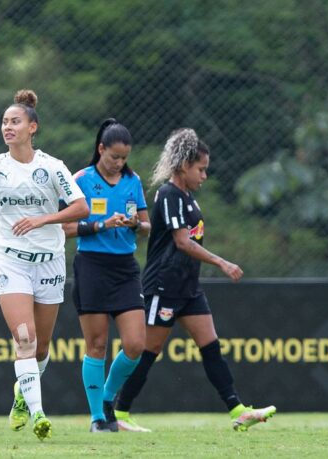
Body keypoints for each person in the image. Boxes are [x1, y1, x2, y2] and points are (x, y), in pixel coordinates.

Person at [112, 128, 276, 431]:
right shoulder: (169, 193)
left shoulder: (188, 199)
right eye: (200, 169)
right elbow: (182, 242)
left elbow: (164, 231)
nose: (204, 175)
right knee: (147, 352)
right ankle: (118, 413)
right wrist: (221, 262)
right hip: (165, 285)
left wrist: (143, 225)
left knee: (210, 346)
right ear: (184, 165)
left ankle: (237, 410)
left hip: (187, 287)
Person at [0, 89, 90, 440]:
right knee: (23, 339)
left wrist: (44, 219)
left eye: (15, 121)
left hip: (50, 263)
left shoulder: (52, 167)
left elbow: (81, 208)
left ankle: (21, 395)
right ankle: (39, 413)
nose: (7, 127)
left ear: (33, 127)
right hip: (10, 260)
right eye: (4, 122)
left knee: (41, 348)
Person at [62, 119, 150, 433]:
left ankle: (108, 399)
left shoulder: (133, 180)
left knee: (136, 344)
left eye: (124, 158)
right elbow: (65, 227)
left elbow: (146, 224)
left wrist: (133, 225)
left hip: (125, 268)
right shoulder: (81, 179)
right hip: (92, 267)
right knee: (97, 344)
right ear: (101, 149)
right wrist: (101, 225)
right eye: (114, 157)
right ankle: (98, 418)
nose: (119, 163)